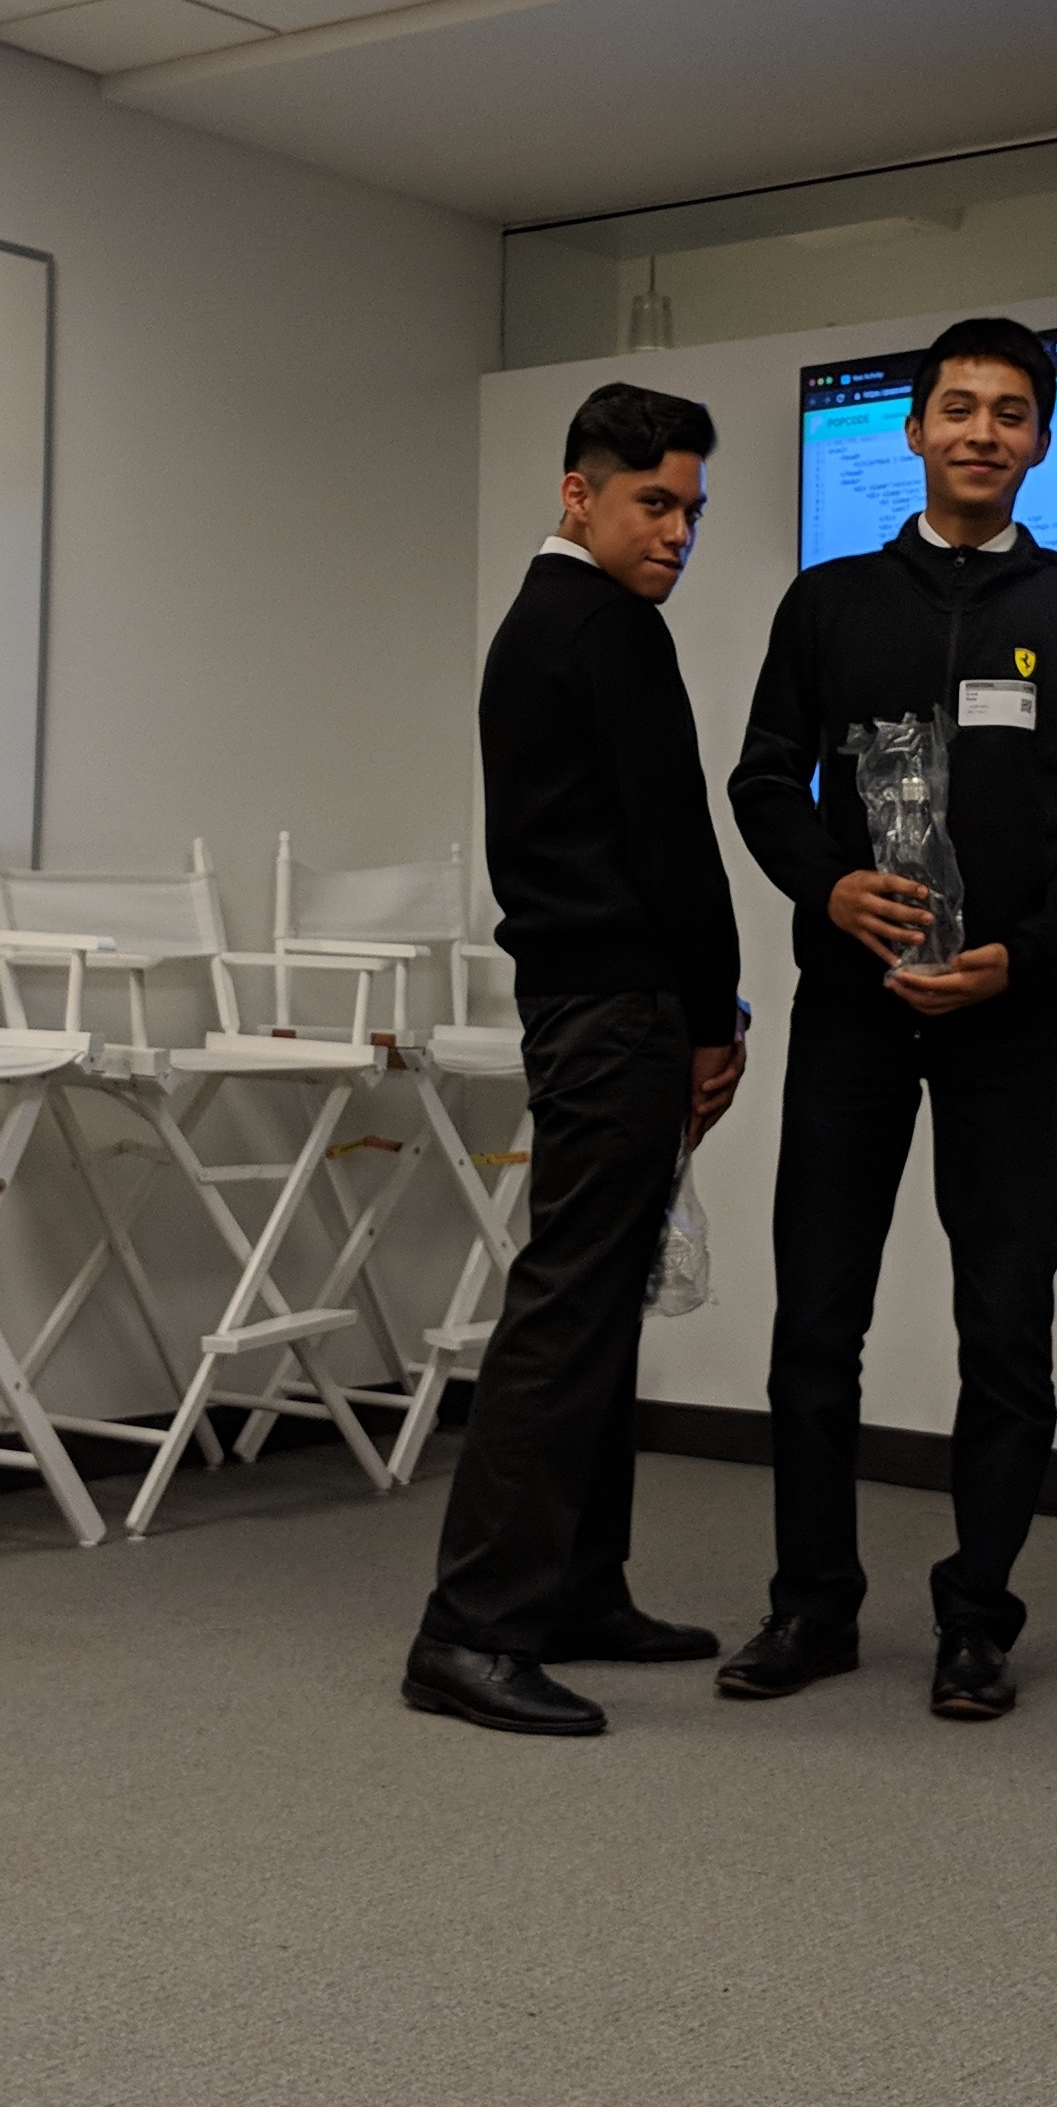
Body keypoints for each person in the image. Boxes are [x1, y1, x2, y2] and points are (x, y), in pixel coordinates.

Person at [721, 317, 1057, 1719]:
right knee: (814, 1324)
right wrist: (826, 887)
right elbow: (761, 783)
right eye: (955, 407)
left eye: (1009, 412)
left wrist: (1022, 960)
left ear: (1038, 441)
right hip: (849, 1010)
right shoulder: (829, 603)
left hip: (1006, 1022)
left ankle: (977, 1618)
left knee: (1005, 1325)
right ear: (908, 431)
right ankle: (813, 1607)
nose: (980, 431)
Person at [402, 382, 747, 1740]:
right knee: (567, 1306)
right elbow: (674, 844)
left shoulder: (548, 622)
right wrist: (715, 1016)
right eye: (653, 504)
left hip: (592, 1002)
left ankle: (577, 1589)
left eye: (691, 510)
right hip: (618, 1006)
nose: (676, 533)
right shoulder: (604, 627)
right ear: (577, 494)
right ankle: (470, 1628)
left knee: (597, 1301)